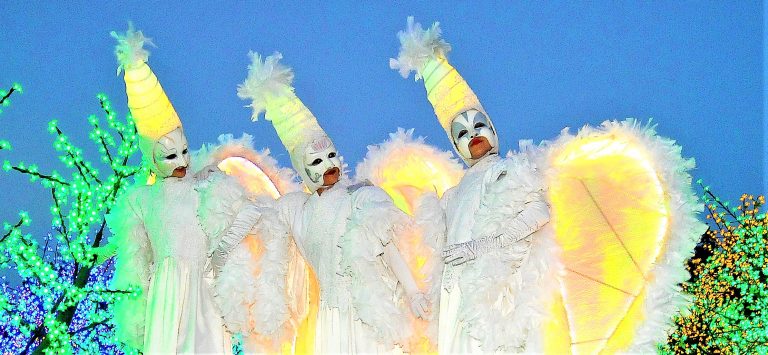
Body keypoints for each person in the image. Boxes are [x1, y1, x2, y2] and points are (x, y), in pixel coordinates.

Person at [105, 26, 290, 353]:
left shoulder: (204, 185)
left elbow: (250, 212)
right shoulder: (141, 200)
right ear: (151, 159)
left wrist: (220, 252)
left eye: (184, 151)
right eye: (169, 155)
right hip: (165, 294)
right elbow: (134, 255)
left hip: (202, 289)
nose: (180, 160)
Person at [237, 51, 429, 353]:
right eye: (316, 159)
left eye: (331, 155)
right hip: (330, 319)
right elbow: (258, 219)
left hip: (368, 314)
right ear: (303, 169)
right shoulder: (296, 210)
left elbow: (386, 246)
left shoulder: (360, 197)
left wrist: (413, 291)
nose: (329, 164)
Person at [391, 18, 561, 353]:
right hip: (455, 294)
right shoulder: (452, 194)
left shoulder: (511, 169)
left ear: (492, 128)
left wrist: (483, 247)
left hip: (495, 291)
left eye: (478, 125)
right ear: (456, 146)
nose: (474, 136)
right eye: (463, 134)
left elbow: (540, 211)